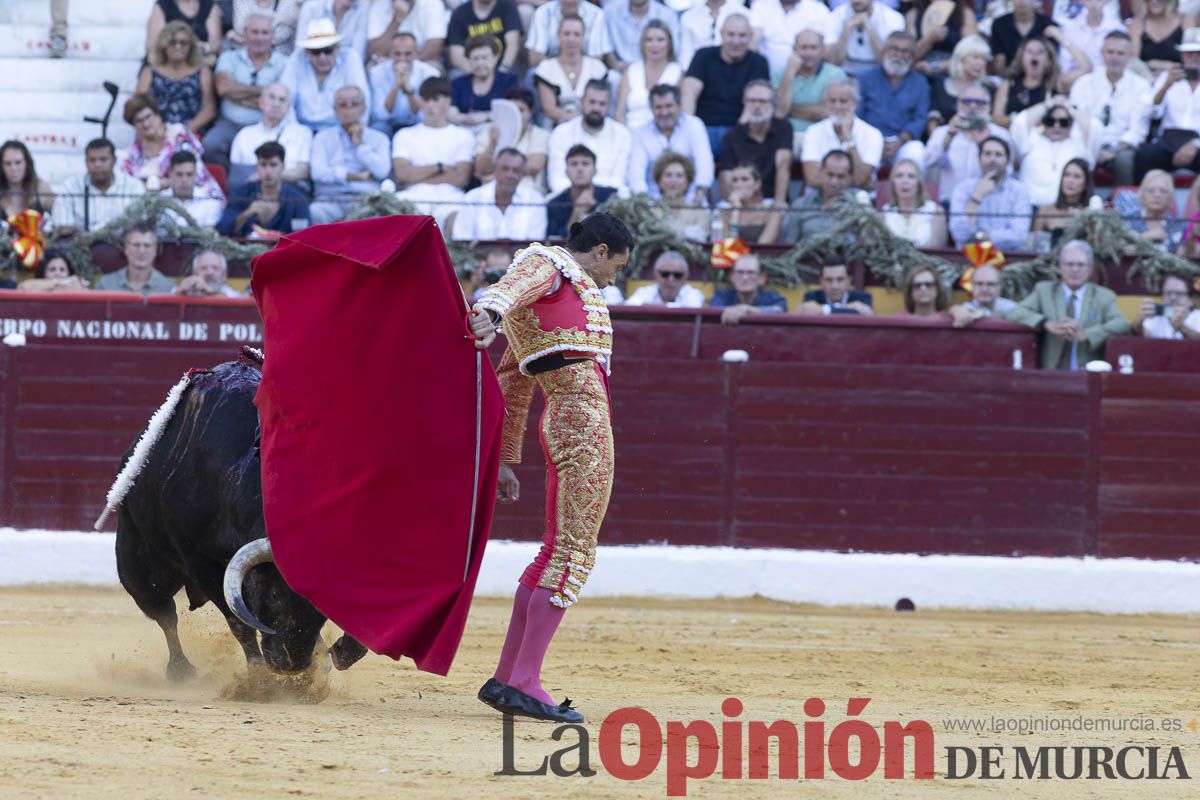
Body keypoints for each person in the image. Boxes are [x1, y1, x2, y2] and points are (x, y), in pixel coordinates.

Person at [468, 212, 633, 724]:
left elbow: (512, 382)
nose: (614, 279)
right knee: (574, 552)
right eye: (618, 266)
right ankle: (525, 680)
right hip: (580, 421)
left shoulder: (557, 291)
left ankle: (508, 677)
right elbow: (510, 286)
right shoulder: (550, 265)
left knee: (554, 550)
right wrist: (488, 312)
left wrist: (506, 460)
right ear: (601, 251)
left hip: (565, 415)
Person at [1008, 239, 1130, 368]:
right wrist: (1045, 323)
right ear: (1060, 266)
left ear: (1089, 269)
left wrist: (1087, 335)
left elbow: (1121, 323)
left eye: (1081, 265)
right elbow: (1015, 312)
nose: (1075, 269)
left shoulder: (1103, 296)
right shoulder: (1044, 291)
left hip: (1087, 372)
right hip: (1051, 371)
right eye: (1069, 264)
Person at [203, 10, 289, 167]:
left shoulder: (284, 63)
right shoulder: (229, 57)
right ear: (245, 34)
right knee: (210, 145)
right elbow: (223, 89)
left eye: (265, 33)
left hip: (265, 125)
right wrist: (264, 92)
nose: (259, 38)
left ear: (272, 36)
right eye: (254, 32)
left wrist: (237, 92)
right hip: (229, 122)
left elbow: (280, 100)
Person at [1069, 31, 1150, 188]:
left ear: (1129, 56)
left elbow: (1137, 131)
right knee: (1074, 154)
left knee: (1125, 160)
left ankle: (1124, 205)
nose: (1114, 57)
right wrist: (1093, 149)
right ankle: (1081, 206)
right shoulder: (1083, 84)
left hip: (1120, 147)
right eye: (1110, 52)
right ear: (1102, 54)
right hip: (1087, 143)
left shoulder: (1141, 86)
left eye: (1120, 53)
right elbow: (1076, 124)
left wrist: (1112, 151)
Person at [682, 13, 771, 157]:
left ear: (750, 37)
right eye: (731, 34)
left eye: (742, 36)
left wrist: (736, 136)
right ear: (721, 34)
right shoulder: (703, 56)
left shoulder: (758, 62)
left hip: (740, 129)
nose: (736, 41)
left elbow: (755, 102)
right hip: (703, 128)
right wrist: (689, 129)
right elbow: (689, 92)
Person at [392, 77, 475, 225]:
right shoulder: (404, 135)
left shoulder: (464, 136)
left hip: (451, 198)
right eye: (426, 99)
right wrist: (440, 167)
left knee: (462, 216)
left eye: (436, 99)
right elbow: (402, 175)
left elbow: (461, 178)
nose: (430, 105)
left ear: (448, 101)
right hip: (413, 196)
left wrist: (417, 176)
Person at [310, 86, 392, 224]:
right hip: (329, 199)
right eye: (343, 105)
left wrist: (359, 144)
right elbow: (318, 173)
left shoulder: (379, 138)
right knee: (315, 212)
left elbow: (382, 171)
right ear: (335, 109)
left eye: (355, 104)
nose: (349, 110)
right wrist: (355, 176)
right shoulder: (322, 138)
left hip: (366, 200)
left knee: (376, 215)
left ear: (364, 108)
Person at [924, 81, 1013, 202]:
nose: (973, 107)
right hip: (951, 203)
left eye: (979, 102)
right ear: (958, 104)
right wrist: (949, 137)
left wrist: (982, 142)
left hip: (990, 203)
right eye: (966, 102)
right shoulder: (942, 133)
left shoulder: (1001, 134)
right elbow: (930, 162)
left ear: (989, 107)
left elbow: (1008, 172)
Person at [119, 94, 222, 196]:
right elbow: (129, 188)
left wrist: (158, 185)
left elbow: (195, 173)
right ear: (133, 126)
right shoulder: (131, 155)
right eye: (139, 121)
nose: (146, 123)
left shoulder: (179, 134)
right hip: (154, 205)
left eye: (148, 117)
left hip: (199, 196)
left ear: (157, 115)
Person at [281, 17, 371, 131]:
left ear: (337, 48)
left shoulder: (350, 58)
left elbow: (362, 98)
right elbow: (286, 97)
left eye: (328, 50)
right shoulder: (297, 59)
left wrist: (356, 129)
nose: (322, 57)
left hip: (339, 129)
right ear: (307, 51)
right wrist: (294, 130)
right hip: (301, 128)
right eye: (316, 51)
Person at [1134, 28, 1200, 182]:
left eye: (1198, 53)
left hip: (1197, 140)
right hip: (1168, 138)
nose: (1195, 58)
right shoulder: (1167, 77)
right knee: (1145, 155)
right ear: (1183, 55)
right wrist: (1166, 85)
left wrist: (1195, 145)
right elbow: (1150, 112)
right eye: (1190, 53)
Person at [856, 30, 929, 167]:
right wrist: (875, 141)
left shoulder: (920, 83)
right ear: (884, 51)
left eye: (905, 51)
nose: (899, 55)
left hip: (902, 142)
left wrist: (900, 141)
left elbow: (919, 119)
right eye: (894, 49)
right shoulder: (866, 79)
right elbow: (857, 115)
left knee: (917, 152)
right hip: (869, 140)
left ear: (913, 57)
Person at [627, 84, 713, 201]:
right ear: (651, 109)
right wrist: (646, 204)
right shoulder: (640, 133)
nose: (664, 112)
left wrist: (700, 192)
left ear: (679, 106)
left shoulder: (694, 125)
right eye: (658, 107)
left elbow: (704, 162)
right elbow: (635, 174)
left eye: (668, 106)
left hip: (692, 199)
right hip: (652, 201)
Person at [546, 80, 632, 195]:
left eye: (602, 104)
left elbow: (618, 180)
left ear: (609, 106)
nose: (596, 108)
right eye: (592, 102)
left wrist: (590, 192)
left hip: (608, 200)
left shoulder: (622, 134)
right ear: (582, 102)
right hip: (569, 198)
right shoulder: (561, 133)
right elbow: (557, 181)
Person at [948, 136, 1032, 251]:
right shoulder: (962, 189)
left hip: (1007, 259)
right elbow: (959, 234)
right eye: (987, 154)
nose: (992, 159)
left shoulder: (1019, 191)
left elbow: (1019, 236)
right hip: (967, 258)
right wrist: (977, 197)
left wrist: (980, 236)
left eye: (998, 154)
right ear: (979, 159)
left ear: (1007, 161)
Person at [1009, 95, 1094, 208]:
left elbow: (1093, 126)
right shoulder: (1032, 140)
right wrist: (1048, 104)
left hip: (1066, 210)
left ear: (1071, 125)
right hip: (1030, 208)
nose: (1056, 126)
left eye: (1063, 122)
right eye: (1050, 121)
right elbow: (1020, 122)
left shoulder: (1078, 144)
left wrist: (1069, 108)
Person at [718, 80, 793, 205]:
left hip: (771, 200)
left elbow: (783, 164)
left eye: (762, 101)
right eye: (751, 101)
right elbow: (727, 174)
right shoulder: (732, 136)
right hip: (742, 201)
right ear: (744, 104)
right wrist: (735, 202)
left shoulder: (784, 128)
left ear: (773, 105)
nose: (757, 106)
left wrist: (779, 203)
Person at [800, 78, 882, 190]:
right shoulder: (813, 131)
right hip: (819, 198)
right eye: (832, 101)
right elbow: (812, 178)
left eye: (843, 101)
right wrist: (859, 181)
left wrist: (849, 140)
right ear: (825, 103)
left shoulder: (872, 134)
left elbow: (860, 179)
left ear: (855, 104)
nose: (837, 106)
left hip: (857, 200)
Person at [228, 82, 313, 188]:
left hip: (289, 191)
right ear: (261, 103)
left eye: (282, 100)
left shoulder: (302, 133)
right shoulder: (244, 135)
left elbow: (302, 172)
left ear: (288, 107)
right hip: (251, 192)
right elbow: (236, 176)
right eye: (272, 97)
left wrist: (264, 175)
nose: (276, 104)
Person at [137, 22, 218, 132]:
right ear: (163, 45)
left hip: (191, 132)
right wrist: (160, 131)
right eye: (172, 42)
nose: (178, 46)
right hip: (155, 132)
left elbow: (209, 109)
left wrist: (184, 131)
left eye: (183, 43)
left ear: (191, 46)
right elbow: (138, 106)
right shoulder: (149, 72)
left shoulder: (203, 72)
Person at [451, 149, 547, 241]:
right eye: (505, 169)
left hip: (522, 258)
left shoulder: (535, 200)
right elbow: (462, 239)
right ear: (494, 169)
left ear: (523, 173)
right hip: (476, 258)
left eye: (516, 170)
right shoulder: (473, 198)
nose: (510, 175)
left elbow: (535, 246)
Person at [774, 29, 846, 149]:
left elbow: (827, 112)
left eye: (813, 48)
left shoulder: (836, 74)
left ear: (822, 50)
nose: (808, 53)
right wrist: (790, 73)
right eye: (803, 47)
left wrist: (790, 110)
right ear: (794, 50)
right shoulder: (779, 75)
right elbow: (780, 112)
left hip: (823, 137)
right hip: (786, 136)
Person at [218, 141, 310, 235]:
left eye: (273, 165)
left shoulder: (297, 199)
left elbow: (304, 237)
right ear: (257, 167)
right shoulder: (241, 193)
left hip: (284, 249)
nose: (268, 171)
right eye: (263, 165)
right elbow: (223, 230)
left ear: (283, 167)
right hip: (244, 249)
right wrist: (246, 213)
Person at [535, 15, 610, 127]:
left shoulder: (597, 67)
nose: (571, 39)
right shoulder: (546, 68)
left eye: (577, 34)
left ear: (583, 37)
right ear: (558, 36)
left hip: (591, 123)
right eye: (566, 34)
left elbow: (600, 104)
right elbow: (549, 109)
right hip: (556, 124)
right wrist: (574, 121)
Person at [53, 139, 142, 234]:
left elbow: (141, 228)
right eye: (92, 160)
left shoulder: (133, 187)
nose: (97, 165)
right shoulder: (70, 187)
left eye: (103, 159)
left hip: (123, 246)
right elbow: (62, 227)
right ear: (86, 162)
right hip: (80, 246)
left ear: (114, 160)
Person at [783, 148, 867, 241]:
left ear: (850, 178)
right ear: (821, 173)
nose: (834, 182)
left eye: (840, 177)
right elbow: (789, 247)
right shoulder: (801, 205)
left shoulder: (860, 205)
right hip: (807, 254)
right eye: (830, 175)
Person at [474, 87, 550, 189]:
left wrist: (497, 176)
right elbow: (481, 169)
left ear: (530, 113)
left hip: (527, 193)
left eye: (521, 110)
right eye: (512, 110)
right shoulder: (489, 132)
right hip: (491, 193)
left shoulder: (540, 134)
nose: (516, 115)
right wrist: (492, 144)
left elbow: (534, 166)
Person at [368, 32, 441, 136]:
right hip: (388, 124)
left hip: (416, 125)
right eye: (397, 54)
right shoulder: (376, 73)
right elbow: (380, 115)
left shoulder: (430, 73)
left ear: (416, 53)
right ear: (390, 53)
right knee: (378, 128)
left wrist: (408, 90)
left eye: (408, 54)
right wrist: (396, 87)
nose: (402, 59)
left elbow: (424, 115)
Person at [615, 21, 683, 130]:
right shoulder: (631, 70)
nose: (654, 45)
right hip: (631, 133)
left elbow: (681, 113)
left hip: (665, 133)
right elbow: (619, 113)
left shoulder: (678, 72)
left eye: (660, 40)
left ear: (669, 44)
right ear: (643, 44)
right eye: (649, 40)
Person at [546, 144, 618, 238]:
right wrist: (577, 212)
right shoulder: (555, 204)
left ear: (595, 170)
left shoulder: (611, 196)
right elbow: (555, 245)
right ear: (566, 171)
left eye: (585, 164)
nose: (580, 169)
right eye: (574, 164)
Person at [925, 35, 991, 134]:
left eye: (983, 59)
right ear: (961, 58)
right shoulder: (939, 86)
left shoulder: (986, 90)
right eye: (976, 57)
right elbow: (932, 122)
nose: (981, 63)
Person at [824, 0, 906, 78]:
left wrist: (869, 27)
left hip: (880, 75)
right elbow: (833, 63)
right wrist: (847, 29)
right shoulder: (836, 15)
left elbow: (886, 63)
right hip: (844, 74)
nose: (856, 1)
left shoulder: (893, 18)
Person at [748, 0, 831, 77]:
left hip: (808, 78)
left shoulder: (818, 10)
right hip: (767, 77)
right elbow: (752, 44)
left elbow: (826, 51)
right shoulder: (761, 6)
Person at [992, 37, 1062, 128]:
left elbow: (1085, 68)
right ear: (1021, 58)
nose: (1034, 55)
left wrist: (1062, 39)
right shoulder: (1008, 84)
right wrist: (1021, 119)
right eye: (1029, 51)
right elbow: (996, 118)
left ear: (1049, 60)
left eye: (1040, 52)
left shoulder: (1056, 84)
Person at [1056, 0, 1126, 90]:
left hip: (1108, 86)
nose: (1094, 2)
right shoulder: (1069, 29)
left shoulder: (1119, 29)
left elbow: (1120, 65)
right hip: (1075, 85)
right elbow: (1065, 67)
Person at [450, 36, 517, 128]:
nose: (480, 63)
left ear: (495, 58)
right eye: (475, 58)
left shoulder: (508, 81)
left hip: (498, 129)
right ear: (468, 60)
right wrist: (466, 118)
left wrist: (485, 117)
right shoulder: (457, 83)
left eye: (484, 58)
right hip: (465, 130)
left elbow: (512, 112)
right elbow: (451, 114)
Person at [1114, 169, 1188, 252]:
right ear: (1142, 195)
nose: (1157, 195)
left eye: (1163, 191)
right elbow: (1117, 249)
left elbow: (1181, 258)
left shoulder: (1178, 224)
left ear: (1170, 197)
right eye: (1151, 191)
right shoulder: (1127, 220)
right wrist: (1146, 236)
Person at [526, 0, 614, 68]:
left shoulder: (596, 14)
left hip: (586, 71)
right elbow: (535, 59)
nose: (569, 1)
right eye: (567, 34)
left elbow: (596, 60)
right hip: (549, 70)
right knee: (533, 73)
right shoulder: (542, 13)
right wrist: (563, 70)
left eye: (576, 34)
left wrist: (574, 71)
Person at [1030, 159, 1095, 248]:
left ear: (1085, 184)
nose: (1070, 181)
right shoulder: (1045, 211)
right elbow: (1033, 246)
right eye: (1066, 175)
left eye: (1077, 176)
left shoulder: (1092, 213)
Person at [95, 225, 178, 295]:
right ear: (126, 249)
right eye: (136, 245)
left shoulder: (169, 289)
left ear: (155, 250)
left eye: (147, 245)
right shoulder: (105, 286)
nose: (141, 251)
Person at [445, 0, 523, 74]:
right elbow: (457, 56)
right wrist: (479, 73)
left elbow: (513, 44)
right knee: (455, 74)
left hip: (503, 66)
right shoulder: (460, 13)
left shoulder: (507, 5)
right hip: (472, 69)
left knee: (514, 74)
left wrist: (503, 70)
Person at [883, 158, 946, 247]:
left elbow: (939, 252)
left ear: (919, 183)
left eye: (911, 176)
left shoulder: (936, 212)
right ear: (893, 182)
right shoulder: (883, 214)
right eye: (899, 176)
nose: (905, 181)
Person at [604, 0, 681, 73]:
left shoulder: (667, 15)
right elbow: (605, 45)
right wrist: (616, 65)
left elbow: (674, 48)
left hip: (657, 69)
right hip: (620, 71)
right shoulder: (609, 12)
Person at [709, 252, 788, 324]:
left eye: (751, 272)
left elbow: (780, 310)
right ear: (732, 277)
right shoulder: (723, 295)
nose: (745, 277)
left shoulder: (772, 298)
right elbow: (713, 311)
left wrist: (746, 309)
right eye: (740, 272)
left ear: (761, 278)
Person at [366, 0, 448, 66]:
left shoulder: (432, 3)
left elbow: (433, 50)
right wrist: (397, 20)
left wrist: (406, 66)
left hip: (420, 64)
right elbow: (375, 52)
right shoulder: (379, 5)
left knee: (434, 66)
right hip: (388, 64)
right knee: (372, 66)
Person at [717, 162, 783, 244]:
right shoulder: (725, 214)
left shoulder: (773, 213)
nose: (739, 184)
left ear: (757, 184)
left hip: (761, 256)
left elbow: (763, 246)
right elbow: (728, 245)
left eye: (745, 179)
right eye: (735, 180)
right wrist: (736, 210)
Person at [907, 0, 977, 75]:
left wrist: (937, 67)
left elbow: (971, 52)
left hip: (954, 71)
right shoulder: (913, 15)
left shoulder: (965, 14)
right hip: (919, 71)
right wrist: (929, 39)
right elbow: (908, 55)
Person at [652, 151, 710, 241]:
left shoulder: (698, 212)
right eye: (668, 175)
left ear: (688, 181)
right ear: (659, 180)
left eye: (679, 175)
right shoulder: (649, 211)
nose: (673, 180)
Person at [161, 150, 226, 228]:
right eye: (179, 174)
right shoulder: (159, 201)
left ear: (196, 175)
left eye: (189, 174)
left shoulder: (210, 203)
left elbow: (210, 237)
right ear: (170, 174)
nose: (184, 180)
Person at [146, 0, 224, 63]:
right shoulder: (162, 5)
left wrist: (193, 48)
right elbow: (151, 45)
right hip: (167, 61)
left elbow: (216, 44)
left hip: (200, 61)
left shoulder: (210, 6)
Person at [1130, 0, 1192, 78]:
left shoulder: (1185, 19)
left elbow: (1192, 56)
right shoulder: (1138, 22)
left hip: (1180, 78)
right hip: (1146, 79)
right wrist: (1150, 64)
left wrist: (1168, 67)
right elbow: (1133, 60)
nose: (1154, 1)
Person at [679, 0, 747, 69]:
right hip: (699, 72)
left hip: (736, 70)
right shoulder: (688, 17)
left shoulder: (744, 13)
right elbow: (686, 56)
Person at [988, 0, 1051, 74]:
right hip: (1009, 78)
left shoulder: (1048, 25)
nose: (1022, 1)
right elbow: (999, 64)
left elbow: (1050, 63)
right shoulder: (999, 25)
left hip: (1041, 78)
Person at [626, 250, 705, 307]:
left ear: (685, 277)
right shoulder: (644, 292)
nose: (671, 279)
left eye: (677, 275)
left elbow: (693, 308)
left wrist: (649, 307)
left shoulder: (694, 294)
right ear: (656, 275)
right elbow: (629, 307)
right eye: (665, 274)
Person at [295, 0, 370, 59]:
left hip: (343, 71)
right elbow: (300, 50)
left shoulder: (362, 11)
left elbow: (357, 55)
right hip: (310, 67)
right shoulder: (311, 7)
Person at [0, 141, 55, 220]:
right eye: (8, 164)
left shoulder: (41, 188)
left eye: (18, 162)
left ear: (27, 163)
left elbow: (62, 218)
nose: (13, 168)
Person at [1134, 273, 1200, 338]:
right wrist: (1139, 320)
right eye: (1168, 293)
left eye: (1179, 293)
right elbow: (1139, 339)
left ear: (1191, 300)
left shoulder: (1197, 316)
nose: (1172, 298)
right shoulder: (1155, 318)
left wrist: (1181, 327)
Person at [947, 264, 1015, 327]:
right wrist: (955, 310)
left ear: (1000, 287)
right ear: (972, 286)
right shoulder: (967, 307)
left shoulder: (1012, 307)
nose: (984, 289)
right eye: (979, 284)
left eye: (990, 284)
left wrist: (984, 314)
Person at [799, 261, 873, 315]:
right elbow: (805, 311)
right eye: (829, 280)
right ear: (821, 281)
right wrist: (848, 308)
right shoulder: (812, 296)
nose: (835, 286)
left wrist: (822, 309)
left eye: (840, 279)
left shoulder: (863, 297)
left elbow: (867, 314)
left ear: (849, 280)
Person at [228, 0, 300, 53]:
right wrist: (279, 17)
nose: (260, 37)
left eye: (264, 33)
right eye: (256, 32)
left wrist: (243, 39)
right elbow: (240, 28)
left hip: (281, 59)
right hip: (245, 58)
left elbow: (281, 34)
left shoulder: (289, 1)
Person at [175, 248, 243, 297]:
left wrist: (209, 291)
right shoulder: (184, 290)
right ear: (195, 273)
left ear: (224, 274)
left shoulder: (233, 296)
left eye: (215, 268)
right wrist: (181, 292)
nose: (210, 272)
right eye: (204, 268)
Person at [17, 249, 88, 293]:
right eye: (52, 269)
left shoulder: (77, 285)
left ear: (69, 272)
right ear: (43, 271)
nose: (58, 273)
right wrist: (58, 283)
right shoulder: (29, 285)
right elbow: (23, 287)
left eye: (62, 269)